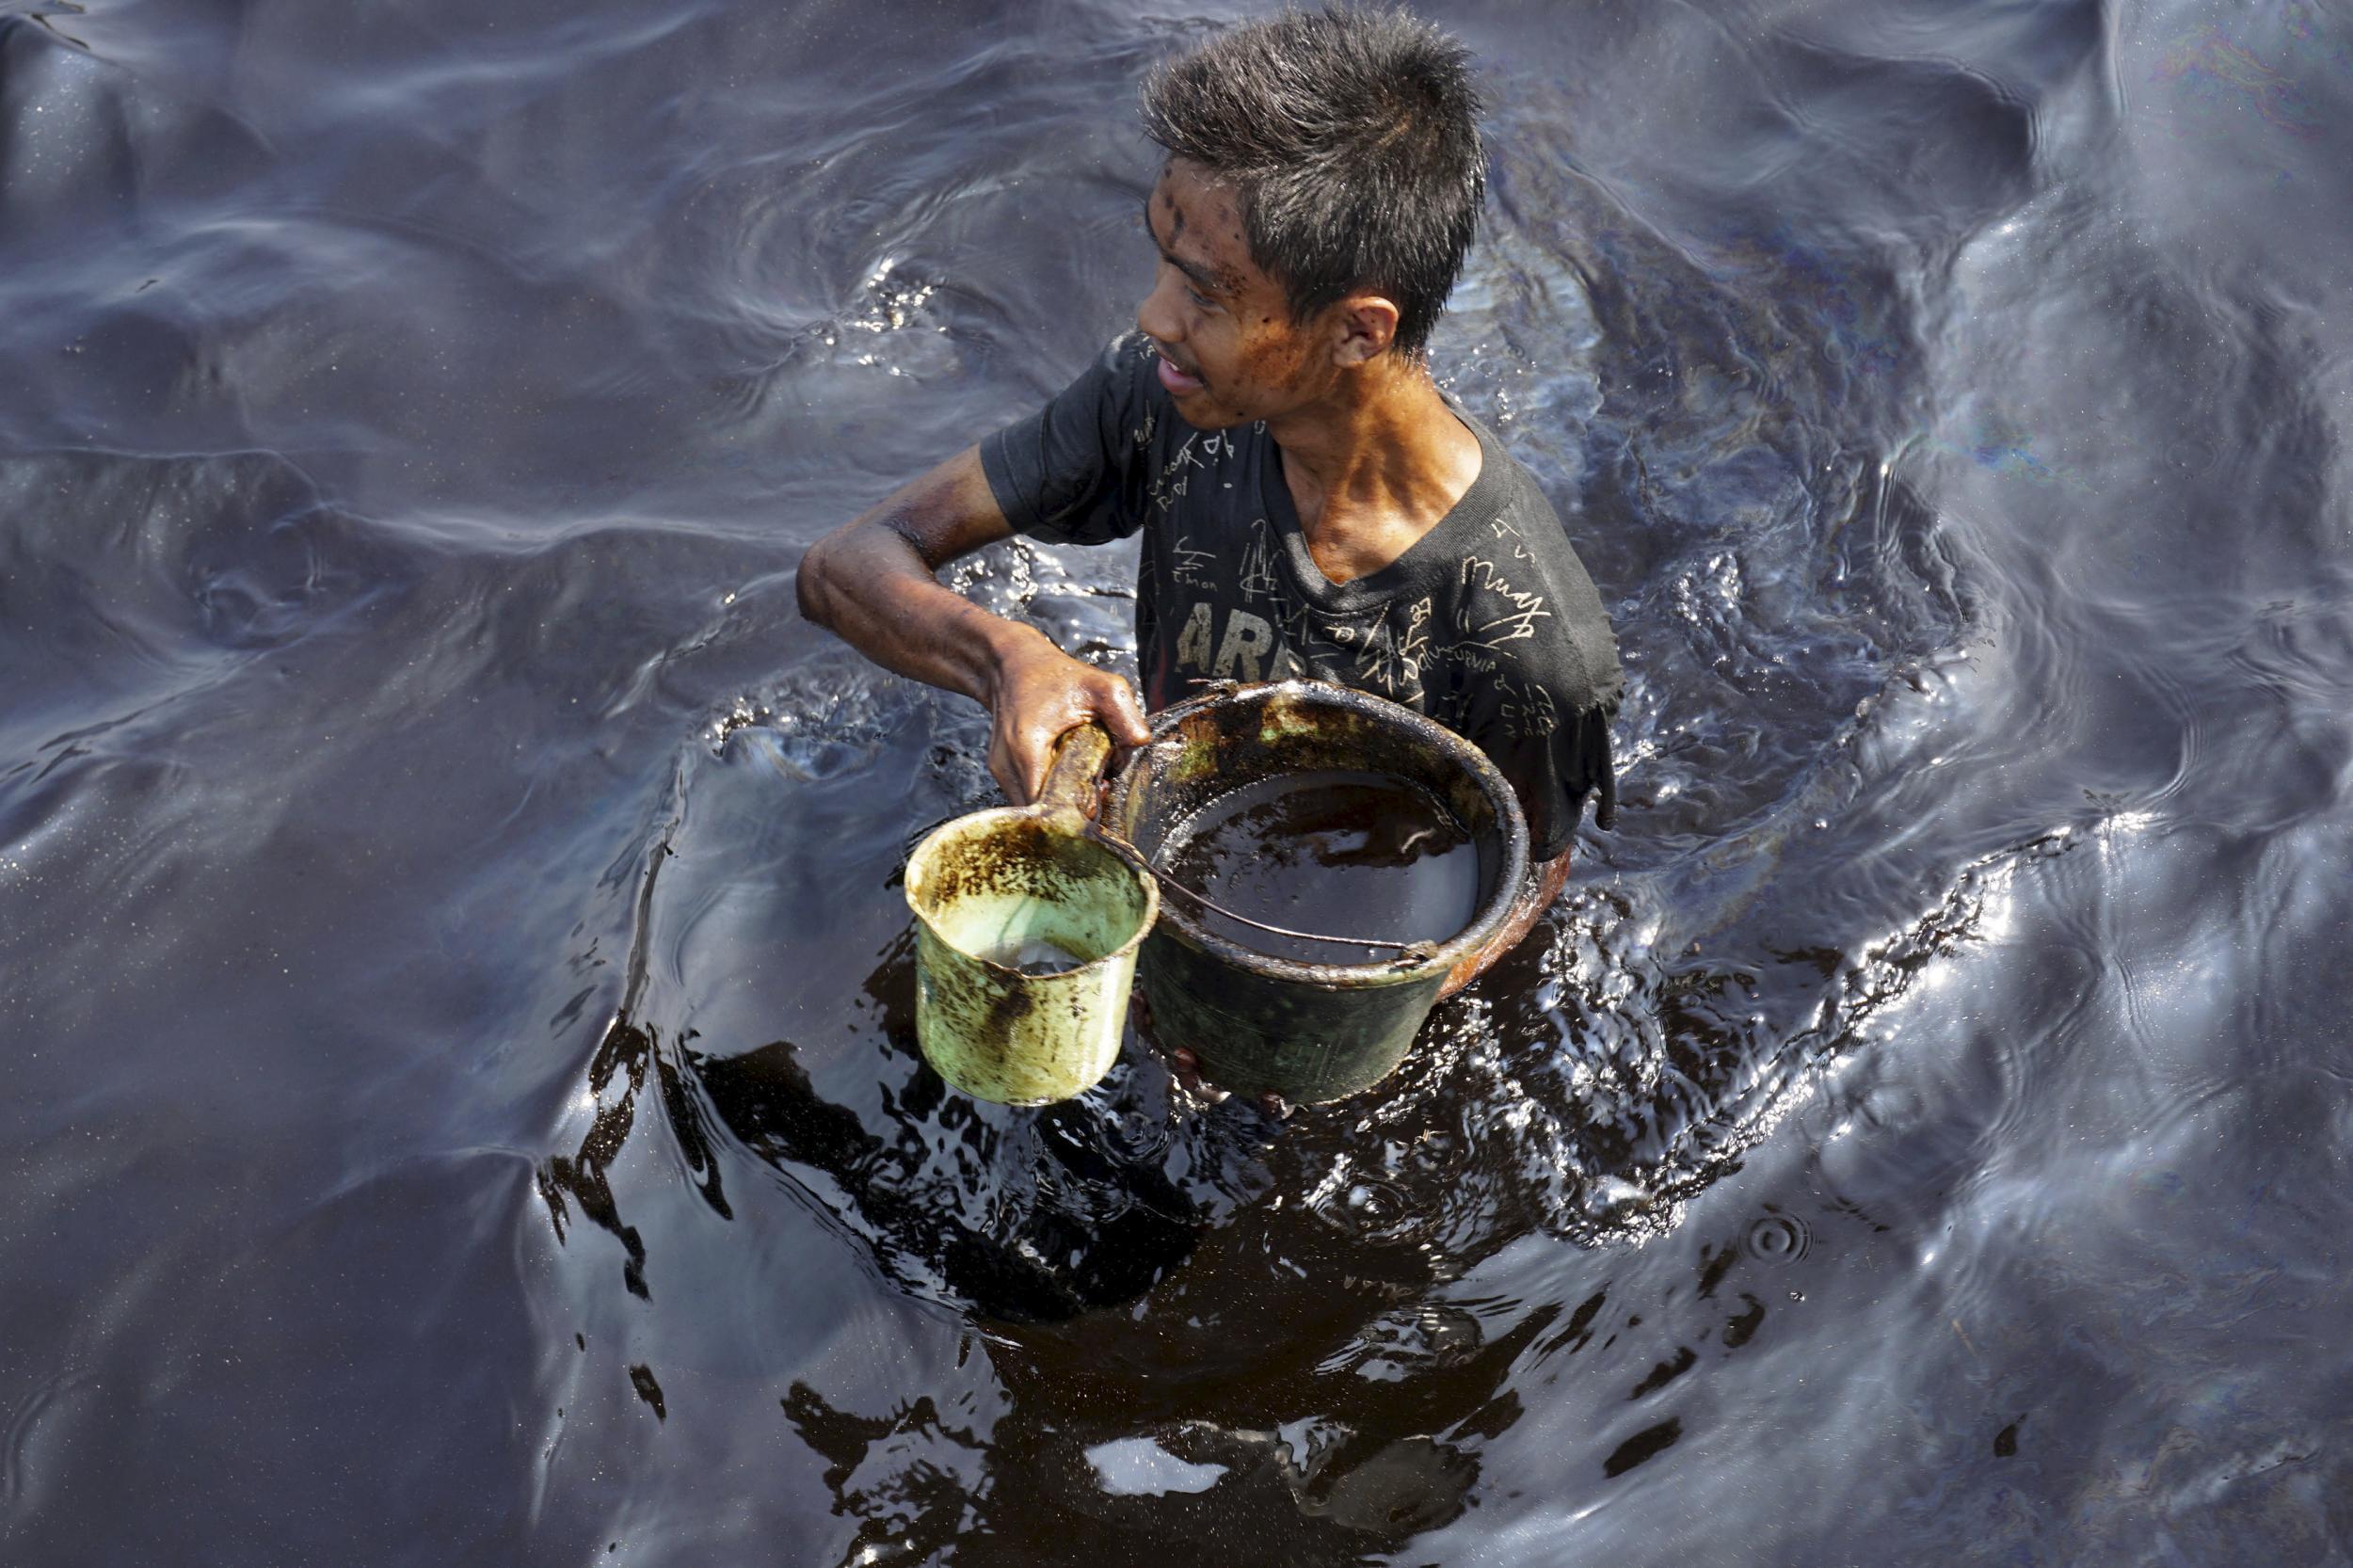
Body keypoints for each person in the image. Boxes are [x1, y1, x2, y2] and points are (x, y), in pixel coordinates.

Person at [799, 5, 1621, 1009]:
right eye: (1159, 260)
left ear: (1359, 333)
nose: (1153, 316)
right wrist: (1007, 661)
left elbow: (1526, 881)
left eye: (1207, 296)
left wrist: (1306, 1024)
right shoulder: (1166, 403)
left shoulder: (1523, 637)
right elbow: (845, 564)